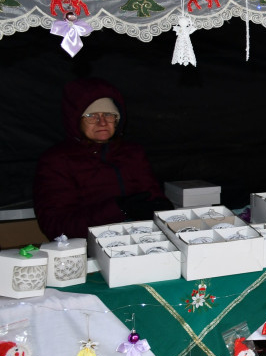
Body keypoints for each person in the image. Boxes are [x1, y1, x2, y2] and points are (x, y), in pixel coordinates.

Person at [34, 78, 171, 240]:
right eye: (91, 116)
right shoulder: (57, 161)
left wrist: (160, 208)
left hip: (139, 240)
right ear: (76, 120)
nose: (102, 122)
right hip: (88, 249)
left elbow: (152, 195)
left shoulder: (132, 153)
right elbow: (57, 227)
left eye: (109, 114)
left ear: (118, 119)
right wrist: (117, 209)